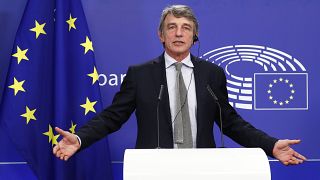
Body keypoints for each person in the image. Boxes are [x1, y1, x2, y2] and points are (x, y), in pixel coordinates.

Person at [53, 4, 306, 165]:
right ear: (161, 35)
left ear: (194, 37)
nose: (178, 33)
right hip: (154, 167)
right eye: (171, 27)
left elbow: (230, 121)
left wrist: (270, 145)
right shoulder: (140, 75)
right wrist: (80, 138)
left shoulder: (212, 74)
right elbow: (112, 117)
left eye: (186, 28)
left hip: (203, 167)